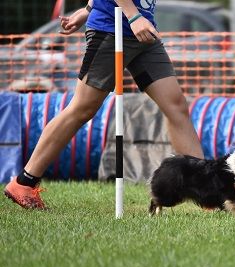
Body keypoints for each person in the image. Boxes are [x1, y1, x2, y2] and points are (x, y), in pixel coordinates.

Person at [4, 0, 204, 209]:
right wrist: (133, 16)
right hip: (112, 29)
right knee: (82, 107)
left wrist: (88, 9)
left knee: (176, 106)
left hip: (143, 33)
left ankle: (203, 188)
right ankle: (24, 182)